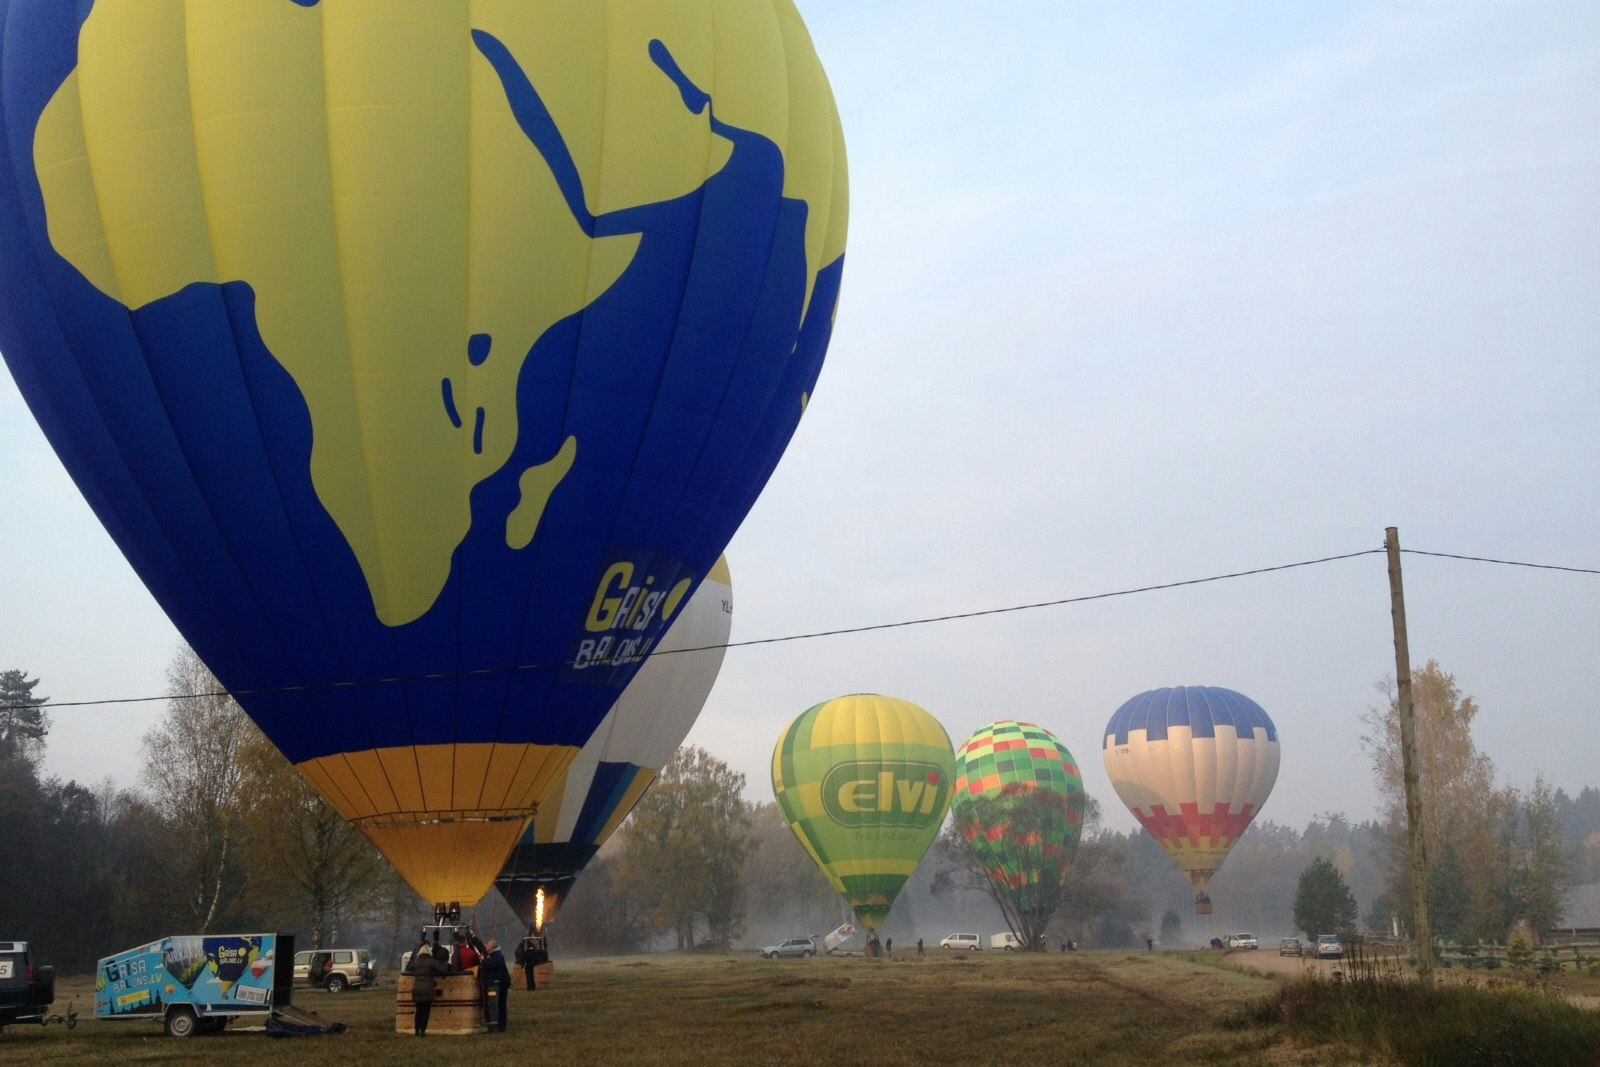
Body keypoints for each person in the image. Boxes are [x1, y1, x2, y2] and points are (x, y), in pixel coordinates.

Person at [407, 940, 450, 1037]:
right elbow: (442, 969)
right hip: (427, 988)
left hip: (417, 988)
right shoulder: (432, 962)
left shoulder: (416, 962)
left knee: (418, 1010)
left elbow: (408, 967)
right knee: (425, 1011)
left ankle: (416, 1031)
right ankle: (423, 1031)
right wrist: (446, 963)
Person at [480, 939, 512, 1032]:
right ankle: (496, 1025)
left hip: (497, 984)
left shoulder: (497, 956)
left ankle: (498, 1026)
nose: (486, 947)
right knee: (494, 1004)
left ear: (492, 947)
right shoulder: (493, 954)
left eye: (487, 945)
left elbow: (492, 965)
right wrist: (472, 936)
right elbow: (481, 946)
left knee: (496, 1005)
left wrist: (484, 960)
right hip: (496, 983)